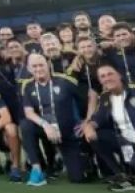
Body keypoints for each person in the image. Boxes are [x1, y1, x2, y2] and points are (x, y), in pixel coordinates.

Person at [82, 64, 135, 192]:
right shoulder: (105, 96)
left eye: (110, 74)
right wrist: (89, 126)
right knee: (95, 136)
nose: (107, 78)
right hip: (124, 142)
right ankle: (122, 176)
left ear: (119, 75)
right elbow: (97, 119)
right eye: (103, 76)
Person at [19, 54, 89, 186]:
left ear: (48, 65)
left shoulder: (65, 81)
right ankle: (37, 169)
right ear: (29, 69)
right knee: (26, 126)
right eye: (34, 66)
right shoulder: (27, 86)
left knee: (78, 178)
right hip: (46, 130)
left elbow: (90, 96)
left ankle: (78, 160)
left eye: (41, 65)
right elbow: (29, 113)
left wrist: (87, 120)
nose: (38, 69)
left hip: (67, 131)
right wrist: (46, 125)